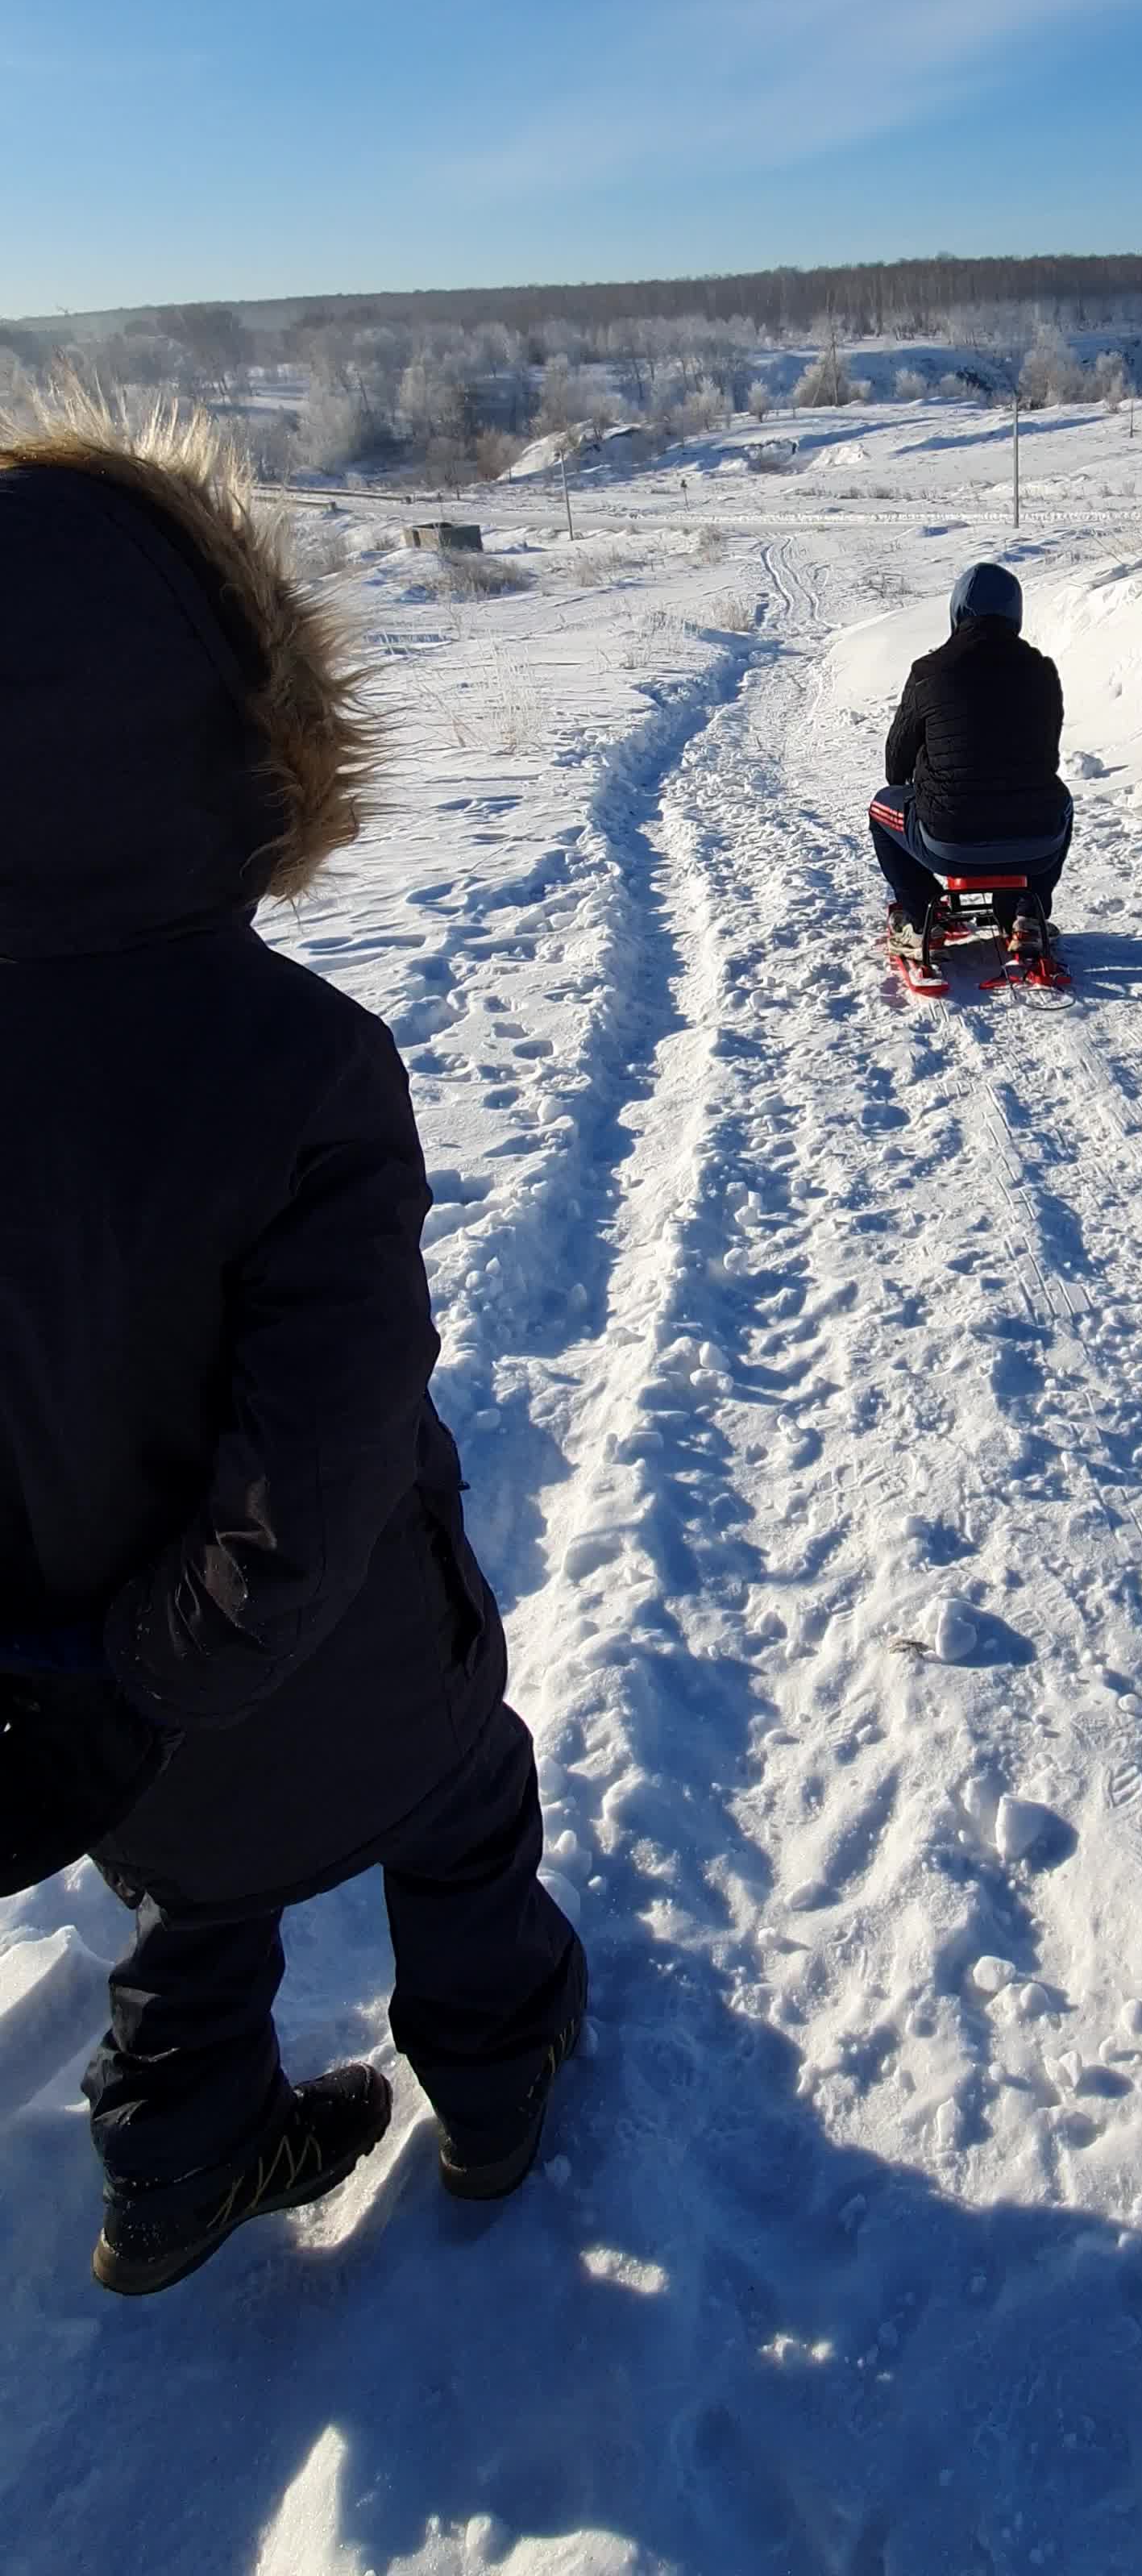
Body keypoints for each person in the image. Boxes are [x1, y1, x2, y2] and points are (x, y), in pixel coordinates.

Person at [0, 391, 584, 2297]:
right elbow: (318, 1455)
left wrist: (80, 1676)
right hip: (324, 1665)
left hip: (76, 1693)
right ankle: (495, 2088)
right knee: (467, 1808)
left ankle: (172, 2164)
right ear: (232, 734)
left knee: (191, 1895)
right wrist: (170, 1657)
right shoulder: (298, 1059)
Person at [868, 561, 1072, 955]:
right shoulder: (1042, 672)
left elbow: (896, 767)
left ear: (958, 611)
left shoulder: (929, 672)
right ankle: (1028, 913)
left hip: (949, 841)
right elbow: (1047, 757)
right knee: (1060, 802)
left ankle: (919, 914)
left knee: (881, 808)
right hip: (1037, 840)